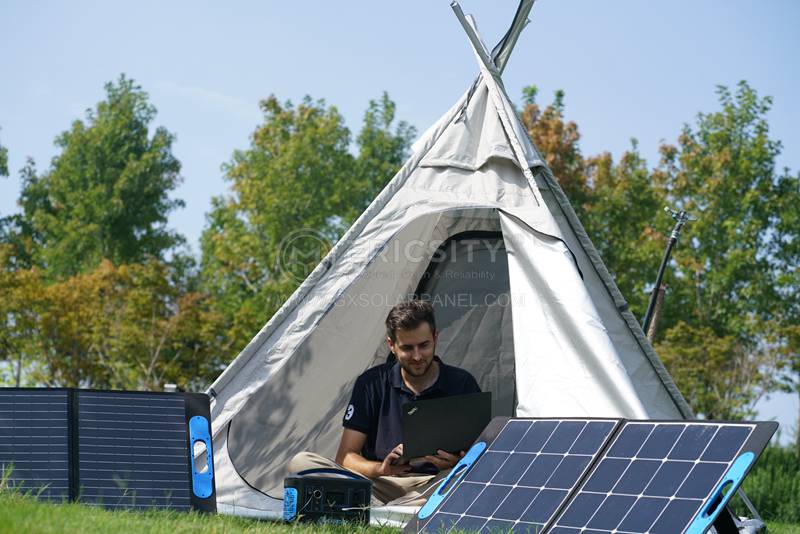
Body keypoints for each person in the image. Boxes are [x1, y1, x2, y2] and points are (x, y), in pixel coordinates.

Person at [288, 300, 481, 506]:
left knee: (463, 480)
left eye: (424, 345)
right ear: (392, 345)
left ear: (435, 338)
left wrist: (457, 463)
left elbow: (483, 456)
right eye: (407, 348)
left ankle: (373, 509)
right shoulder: (370, 383)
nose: (417, 356)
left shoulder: (462, 382)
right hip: (378, 483)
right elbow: (346, 457)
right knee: (301, 463)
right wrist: (381, 469)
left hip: (435, 482)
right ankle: (394, 510)